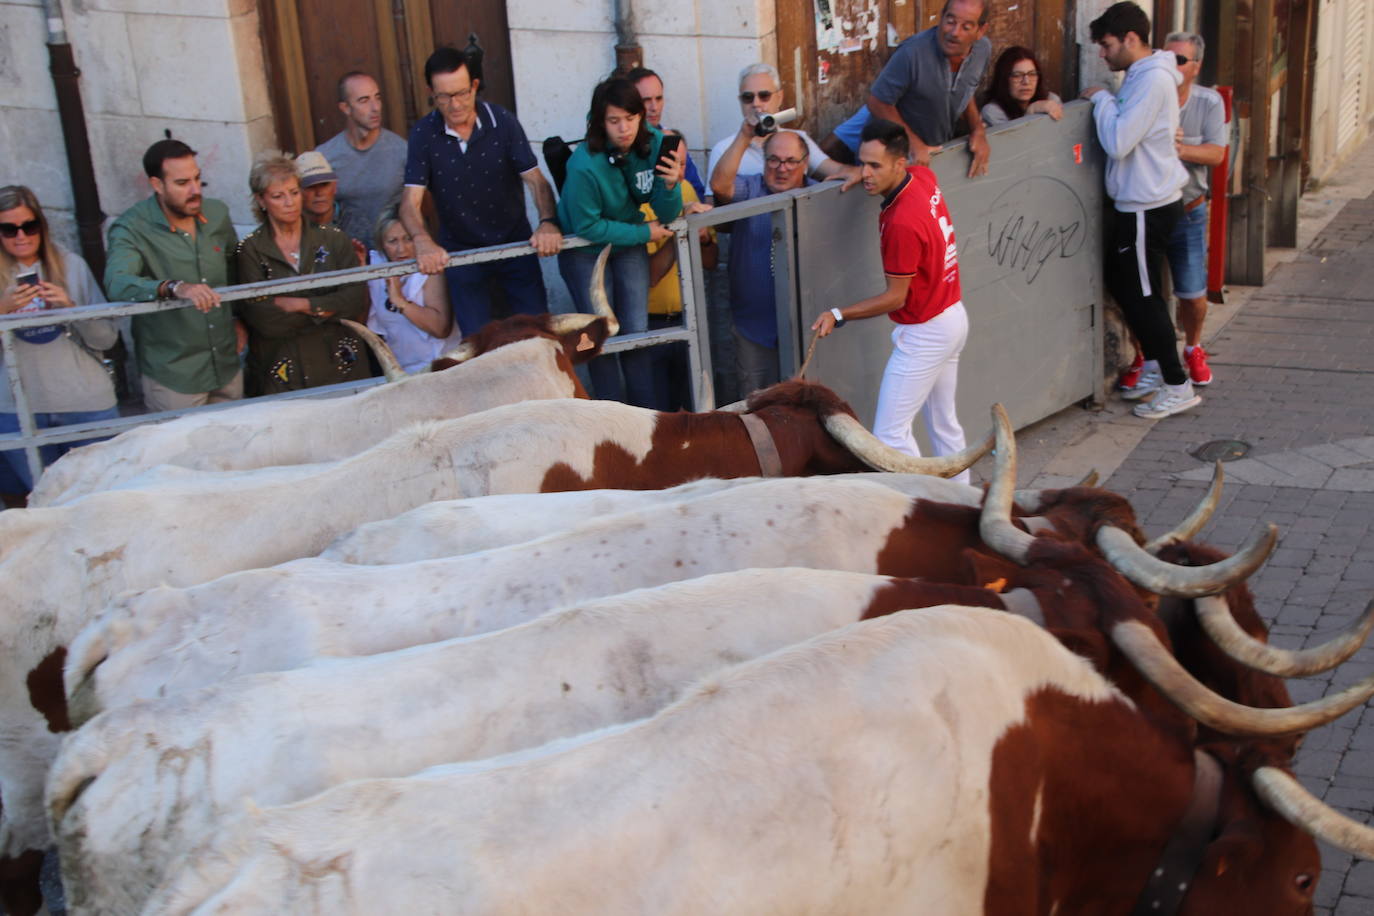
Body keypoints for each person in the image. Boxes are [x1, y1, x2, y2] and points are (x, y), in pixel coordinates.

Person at [810, 119, 971, 485]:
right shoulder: (922, 178)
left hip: (927, 332)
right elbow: (916, 161)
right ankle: (964, 504)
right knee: (944, 424)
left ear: (899, 164)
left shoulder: (901, 222)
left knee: (889, 435)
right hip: (953, 317)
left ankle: (928, 506)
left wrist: (839, 313)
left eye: (875, 166)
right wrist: (858, 174)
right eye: (861, 163)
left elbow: (895, 297)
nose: (866, 173)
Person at [1081, 2, 1197, 420]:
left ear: (1131, 39)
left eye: (1106, 45)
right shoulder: (1143, 77)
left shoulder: (1150, 81)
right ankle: (1153, 367)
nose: (1102, 54)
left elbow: (1118, 141)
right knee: (1126, 284)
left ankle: (1177, 383)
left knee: (1144, 296)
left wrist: (1100, 100)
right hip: (1139, 205)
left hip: (1148, 206)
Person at [401, 47, 562, 337]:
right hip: (461, 252)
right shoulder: (423, 134)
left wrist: (548, 222)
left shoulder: (503, 122)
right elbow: (409, 202)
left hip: (515, 245)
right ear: (431, 93)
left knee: (538, 336)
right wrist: (422, 240)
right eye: (444, 96)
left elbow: (537, 181)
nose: (455, 104)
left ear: (474, 86)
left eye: (462, 93)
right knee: (478, 345)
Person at [556, 76, 685, 409]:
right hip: (584, 250)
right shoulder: (584, 163)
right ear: (600, 121)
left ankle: (643, 416)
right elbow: (587, 226)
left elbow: (665, 213)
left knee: (637, 333)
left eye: (630, 118)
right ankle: (612, 415)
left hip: (628, 241)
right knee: (599, 334)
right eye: (614, 121)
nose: (624, 128)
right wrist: (644, 233)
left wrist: (670, 186)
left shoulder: (656, 142)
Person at [105, 139, 243, 411]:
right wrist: (174, 287)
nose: (195, 191)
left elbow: (234, 268)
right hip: (174, 373)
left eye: (197, 178)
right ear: (157, 185)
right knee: (183, 453)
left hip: (227, 361)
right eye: (182, 183)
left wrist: (239, 318)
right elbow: (116, 283)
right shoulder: (131, 228)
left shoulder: (216, 213)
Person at [0, 185, 119, 494]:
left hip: (85, 402)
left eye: (29, 226)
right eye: (9, 229)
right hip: (20, 410)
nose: (21, 236)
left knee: (103, 497)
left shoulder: (71, 265)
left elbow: (107, 338)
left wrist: (70, 308)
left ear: (41, 225)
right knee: (47, 505)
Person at [234, 151, 371, 394]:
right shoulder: (250, 250)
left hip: (340, 362)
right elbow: (263, 319)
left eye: (294, 193)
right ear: (261, 200)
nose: (290, 202)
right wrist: (327, 308)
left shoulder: (334, 239)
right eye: (278, 196)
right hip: (281, 368)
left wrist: (300, 304)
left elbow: (354, 300)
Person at [714, 130, 815, 394]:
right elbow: (720, 186)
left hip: (807, 329)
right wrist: (746, 135)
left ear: (805, 163)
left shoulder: (818, 195)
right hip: (753, 329)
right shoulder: (751, 188)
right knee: (756, 405)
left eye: (791, 161)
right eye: (774, 160)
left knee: (804, 405)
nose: (782, 169)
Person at [867, 0, 992, 177]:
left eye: (966, 27)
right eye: (950, 21)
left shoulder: (982, 50)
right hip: (892, 156)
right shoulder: (912, 53)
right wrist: (913, 143)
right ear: (941, 18)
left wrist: (977, 130)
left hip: (936, 151)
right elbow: (877, 102)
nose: (954, 32)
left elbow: (966, 89)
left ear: (980, 31)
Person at [707, 63, 859, 200]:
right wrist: (744, 136)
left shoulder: (797, 139)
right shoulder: (723, 149)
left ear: (779, 97)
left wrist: (860, 172)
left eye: (764, 96)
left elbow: (835, 170)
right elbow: (715, 199)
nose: (756, 104)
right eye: (748, 97)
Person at [642, 138, 716, 411]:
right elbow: (650, 274)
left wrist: (705, 239)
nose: (680, 171)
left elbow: (711, 261)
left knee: (695, 410)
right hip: (649, 325)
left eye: (684, 163)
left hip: (692, 318)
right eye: (673, 164)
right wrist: (680, 229)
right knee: (656, 413)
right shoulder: (640, 200)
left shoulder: (687, 190)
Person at [315, 72, 408, 250]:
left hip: (396, 255)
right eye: (364, 100)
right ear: (345, 108)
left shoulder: (402, 151)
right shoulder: (326, 156)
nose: (375, 107)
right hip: (349, 257)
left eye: (377, 98)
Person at [366, 208, 461, 373]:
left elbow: (440, 328)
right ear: (382, 244)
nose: (401, 249)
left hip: (439, 368)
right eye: (392, 241)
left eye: (408, 239)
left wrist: (400, 301)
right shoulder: (377, 269)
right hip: (400, 371)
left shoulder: (432, 267)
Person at [627, 66, 707, 200]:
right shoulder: (621, 143)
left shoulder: (671, 140)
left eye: (658, 99)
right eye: (646, 100)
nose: (654, 107)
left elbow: (696, 195)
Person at [980, 46, 1063, 126]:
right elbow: (1018, 140)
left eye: (1032, 74)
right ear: (1003, 80)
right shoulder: (993, 112)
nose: (1026, 82)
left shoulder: (1051, 100)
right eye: (1017, 75)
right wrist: (1031, 111)